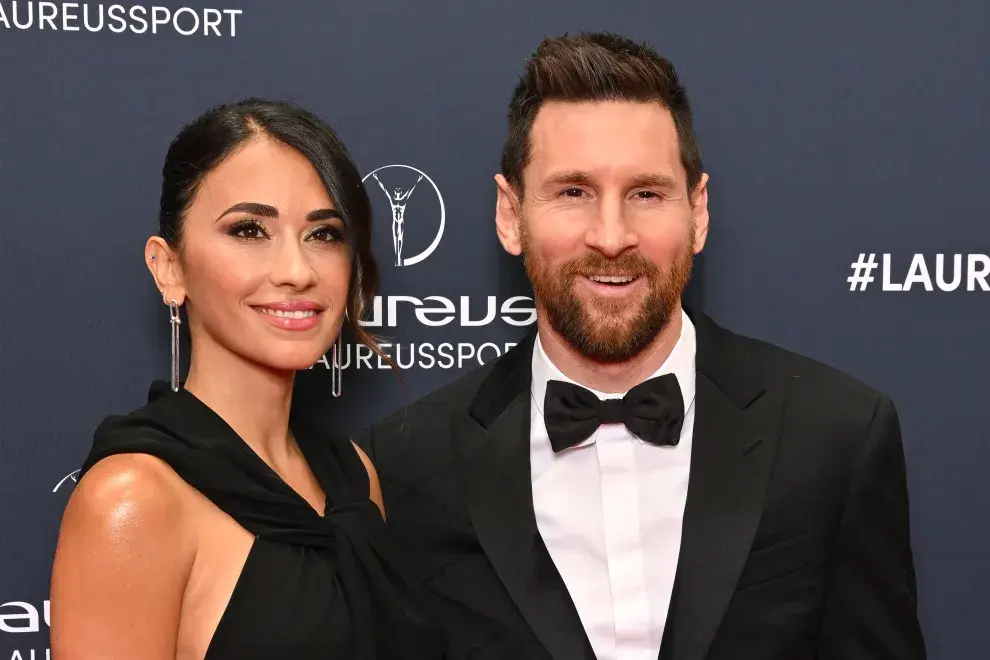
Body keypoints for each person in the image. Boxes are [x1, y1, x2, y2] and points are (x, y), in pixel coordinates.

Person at [357, 32, 927, 660]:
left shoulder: (837, 433)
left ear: (698, 211)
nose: (611, 235)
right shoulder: (410, 461)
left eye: (646, 193)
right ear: (510, 214)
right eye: (573, 192)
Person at [50, 99, 443, 659]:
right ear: (169, 267)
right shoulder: (134, 501)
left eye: (324, 234)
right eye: (250, 229)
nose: (296, 271)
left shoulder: (354, 477)